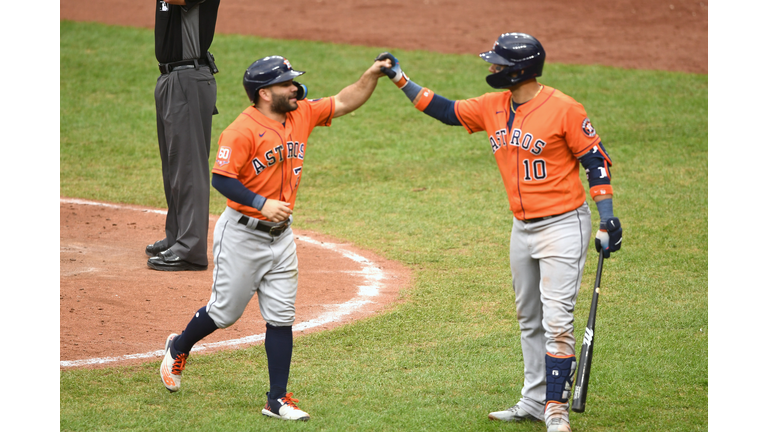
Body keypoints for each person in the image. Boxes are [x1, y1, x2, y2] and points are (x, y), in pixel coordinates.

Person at [377, 33, 622, 432]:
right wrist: (401, 79)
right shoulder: (493, 106)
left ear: (520, 68)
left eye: (497, 63)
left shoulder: (564, 109)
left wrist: (607, 217)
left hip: (563, 225)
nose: (491, 68)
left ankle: (556, 411)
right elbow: (445, 110)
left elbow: (595, 160)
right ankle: (534, 399)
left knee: (557, 320)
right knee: (529, 317)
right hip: (521, 227)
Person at [159, 54, 391, 421]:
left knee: (281, 317)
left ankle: (276, 400)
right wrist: (260, 203)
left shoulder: (302, 113)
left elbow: (345, 100)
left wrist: (370, 75)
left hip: (281, 239)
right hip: (242, 235)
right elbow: (221, 178)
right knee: (224, 312)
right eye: (287, 83)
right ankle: (179, 346)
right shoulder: (241, 130)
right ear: (265, 93)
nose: (295, 87)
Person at [146, 0, 221, 271]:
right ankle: (176, 237)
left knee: (188, 168)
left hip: (189, 78)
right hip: (170, 79)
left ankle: (190, 249)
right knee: (174, 168)